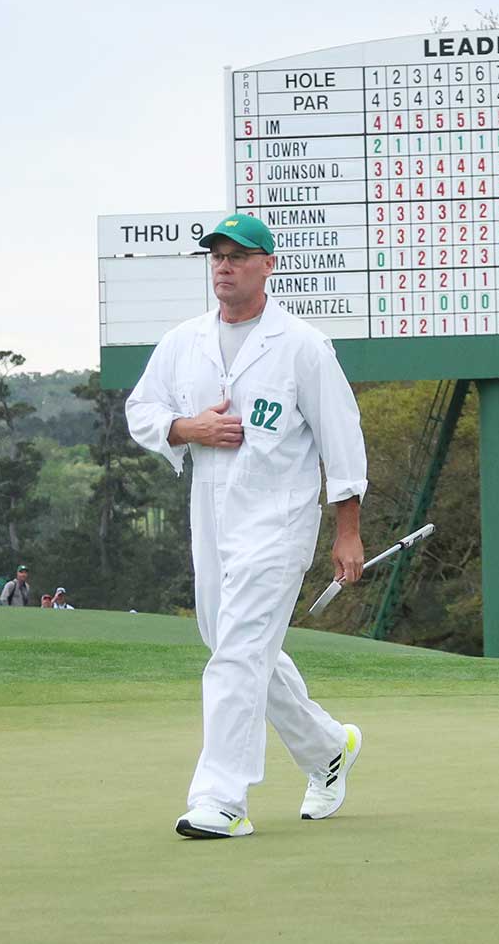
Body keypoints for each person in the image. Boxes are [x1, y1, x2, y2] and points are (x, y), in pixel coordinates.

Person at [126, 211, 369, 840]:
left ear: (268, 265)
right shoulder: (183, 341)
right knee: (234, 643)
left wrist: (348, 528)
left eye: (238, 255)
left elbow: (342, 438)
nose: (224, 265)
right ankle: (325, 748)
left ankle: (221, 798)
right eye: (217, 256)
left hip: (280, 517)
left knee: (236, 651)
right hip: (209, 514)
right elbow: (142, 409)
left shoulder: (303, 346)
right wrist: (188, 428)